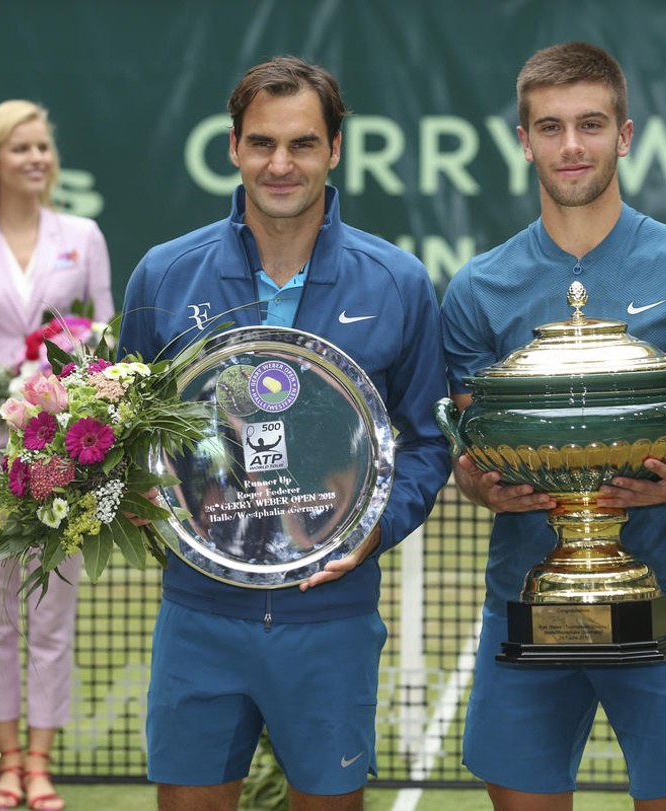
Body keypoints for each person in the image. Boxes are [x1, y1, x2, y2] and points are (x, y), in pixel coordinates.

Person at [118, 56, 451, 811]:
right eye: (262, 142)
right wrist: (134, 496)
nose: (280, 164)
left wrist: (374, 529)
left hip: (330, 616)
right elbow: (124, 430)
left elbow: (430, 441)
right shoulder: (163, 274)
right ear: (233, 145)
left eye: (302, 144)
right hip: (199, 612)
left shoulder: (397, 281)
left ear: (335, 147)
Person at [441, 42, 666, 810]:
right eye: (550, 128)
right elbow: (470, 453)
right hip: (527, 602)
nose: (571, 146)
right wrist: (483, 489)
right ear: (523, 141)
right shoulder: (478, 288)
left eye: (590, 124)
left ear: (626, 134)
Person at [0, 100, 114, 811]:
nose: (36, 158)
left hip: (64, 447)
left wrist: (59, 397)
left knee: (54, 602)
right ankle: (6, 759)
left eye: (43, 146)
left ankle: (42, 761)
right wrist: (13, 390)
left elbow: (101, 328)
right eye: (20, 148)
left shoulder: (84, 235)